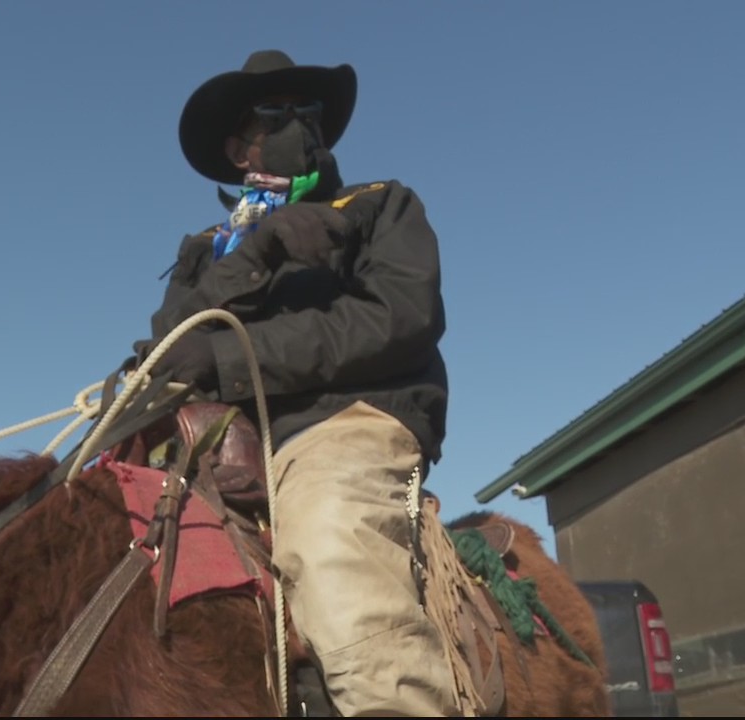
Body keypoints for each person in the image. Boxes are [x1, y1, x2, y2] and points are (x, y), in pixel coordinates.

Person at [135, 50, 460, 717]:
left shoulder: (379, 206)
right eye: (274, 113)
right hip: (214, 449)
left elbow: (401, 317)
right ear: (237, 146)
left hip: (345, 422)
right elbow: (169, 348)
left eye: (307, 110)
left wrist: (230, 358)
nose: (298, 124)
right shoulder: (205, 249)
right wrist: (256, 254)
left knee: (327, 540)